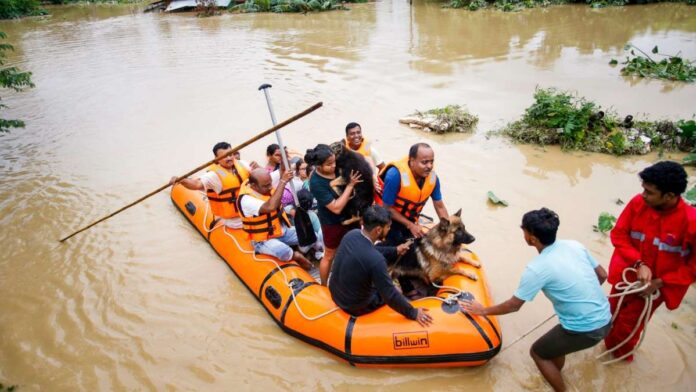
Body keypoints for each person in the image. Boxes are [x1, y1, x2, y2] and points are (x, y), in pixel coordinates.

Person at [461, 208, 611, 392]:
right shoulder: (574, 245)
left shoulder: (537, 268)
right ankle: (555, 373)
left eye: (524, 230)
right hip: (606, 319)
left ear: (531, 238)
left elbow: (514, 306)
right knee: (554, 347)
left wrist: (482, 310)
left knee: (538, 353)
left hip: (585, 329)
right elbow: (602, 275)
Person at [604, 161, 696, 361]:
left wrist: (659, 282)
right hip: (627, 277)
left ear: (670, 196)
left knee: (627, 329)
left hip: (654, 289)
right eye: (643, 189)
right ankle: (608, 355)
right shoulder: (638, 204)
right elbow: (619, 235)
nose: (643, 195)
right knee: (608, 316)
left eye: (649, 192)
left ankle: (619, 363)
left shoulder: (691, 221)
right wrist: (639, 264)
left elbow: (693, 267)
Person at [329, 205, 433, 327]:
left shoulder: (352, 234)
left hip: (336, 293)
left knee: (389, 287)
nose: (389, 230)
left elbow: (371, 249)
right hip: (354, 306)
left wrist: (395, 250)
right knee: (396, 290)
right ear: (378, 230)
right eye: (388, 227)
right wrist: (414, 313)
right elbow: (389, 295)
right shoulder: (376, 261)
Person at [380, 143, 450, 297]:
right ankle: (406, 288)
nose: (429, 166)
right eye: (424, 162)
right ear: (411, 161)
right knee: (399, 250)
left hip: (411, 219)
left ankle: (421, 275)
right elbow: (386, 208)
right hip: (389, 220)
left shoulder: (432, 178)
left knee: (417, 248)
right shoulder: (395, 176)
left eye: (431, 161)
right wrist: (410, 225)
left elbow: (439, 206)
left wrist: (447, 229)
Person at [305, 144, 363, 286]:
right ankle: (324, 285)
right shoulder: (316, 183)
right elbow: (336, 208)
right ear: (318, 165)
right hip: (333, 222)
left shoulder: (338, 167)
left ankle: (355, 278)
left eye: (334, 162)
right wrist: (350, 186)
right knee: (330, 255)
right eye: (329, 164)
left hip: (350, 217)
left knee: (356, 248)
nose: (333, 166)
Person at [236, 168, 316, 270]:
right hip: (263, 239)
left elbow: (282, 170)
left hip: (281, 230)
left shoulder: (265, 182)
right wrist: (282, 181)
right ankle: (298, 257)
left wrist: (283, 157)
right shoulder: (246, 200)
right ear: (254, 186)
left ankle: (301, 251)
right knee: (284, 252)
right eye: (266, 186)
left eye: (270, 183)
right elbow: (270, 207)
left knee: (312, 236)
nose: (270, 187)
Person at [169, 142, 252, 229]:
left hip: (251, 213)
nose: (229, 158)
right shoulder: (213, 175)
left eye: (230, 154)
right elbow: (196, 185)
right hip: (235, 221)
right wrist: (182, 180)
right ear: (217, 158)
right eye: (224, 156)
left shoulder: (242, 164)